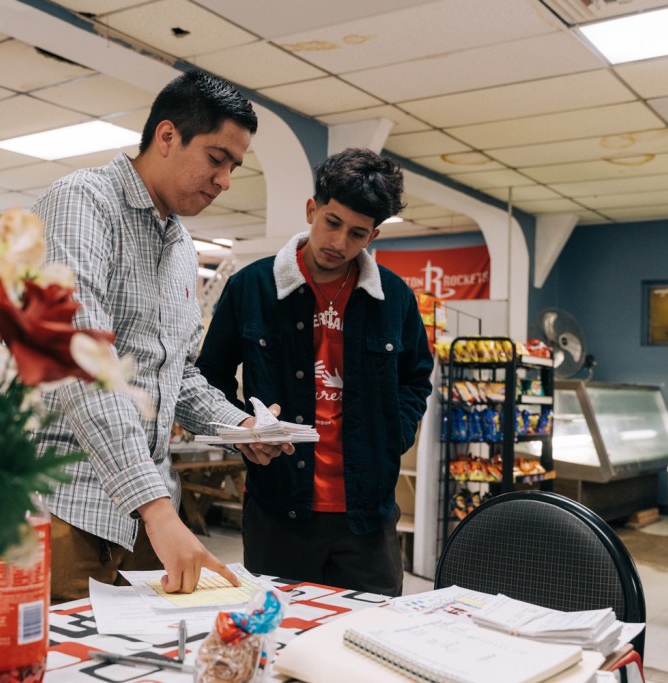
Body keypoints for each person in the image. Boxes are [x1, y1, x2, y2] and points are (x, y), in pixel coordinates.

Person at [31, 69, 287, 602]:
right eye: (216, 158)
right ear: (167, 136)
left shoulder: (182, 248)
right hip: (66, 510)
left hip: (147, 520)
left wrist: (240, 426)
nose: (224, 180)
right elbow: (82, 359)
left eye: (234, 167)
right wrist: (156, 508)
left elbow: (177, 373)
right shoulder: (82, 202)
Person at [196, 148, 433, 597]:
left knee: (368, 635)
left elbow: (416, 378)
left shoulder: (395, 299)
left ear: (374, 235)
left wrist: (393, 436)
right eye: (332, 222)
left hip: (368, 519)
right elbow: (210, 378)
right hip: (278, 510)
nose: (339, 242)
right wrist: (242, 430)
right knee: (278, 630)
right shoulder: (252, 287)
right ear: (311, 210)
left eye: (357, 234)